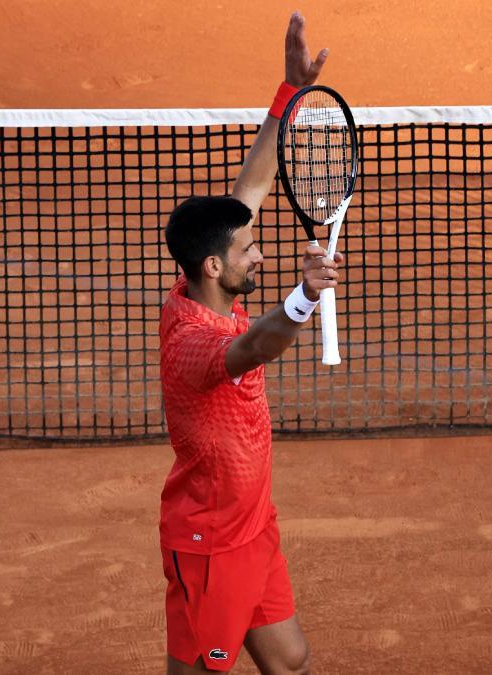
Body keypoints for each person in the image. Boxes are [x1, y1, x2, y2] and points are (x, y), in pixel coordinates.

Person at [157, 11, 339, 675]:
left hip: (253, 525)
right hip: (209, 545)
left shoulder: (205, 275)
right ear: (213, 266)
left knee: (289, 660)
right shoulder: (193, 344)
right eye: (248, 249)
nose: (257, 254)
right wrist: (304, 297)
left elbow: (252, 189)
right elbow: (257, 347)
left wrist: (288, 92)